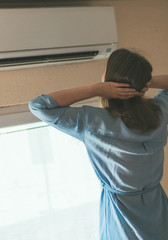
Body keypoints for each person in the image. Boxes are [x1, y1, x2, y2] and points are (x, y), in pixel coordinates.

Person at [29, 49, 168, 240]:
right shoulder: (159, 114)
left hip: (122, 212)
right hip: (156, 207)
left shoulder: (92, 122)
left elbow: (39, 105)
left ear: (109, 80)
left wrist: (94, 89)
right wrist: (146, 82)